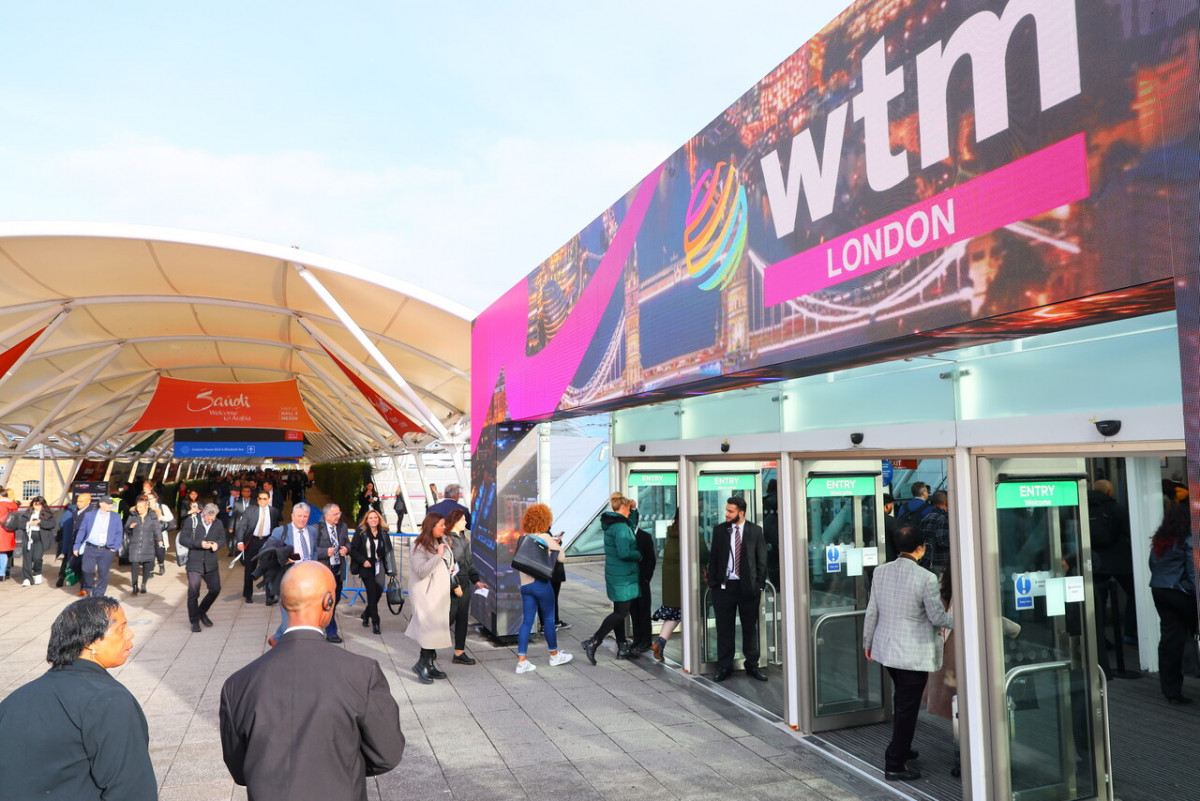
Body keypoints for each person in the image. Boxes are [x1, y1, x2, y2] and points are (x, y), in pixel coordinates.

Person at [219, 562, 406, 801]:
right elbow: (387, 754)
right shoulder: (362, 673)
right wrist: (343, 766)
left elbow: (240, 769)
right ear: (328, 601)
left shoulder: (237, 685)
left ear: (284, 602)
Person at [0, 596, 157, 800]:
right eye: (121, 628)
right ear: (90, 641)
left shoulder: (15, 700)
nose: (130, 634)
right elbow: (132, 788)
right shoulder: (107, 700)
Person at [863, 525, 954, 781]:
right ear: (920, 548)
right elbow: (938, 617)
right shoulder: (925, 577)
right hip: (912, 655)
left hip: (886, 649)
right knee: (907, 707)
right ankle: (895, 762)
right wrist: (961, 615)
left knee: (903, 702)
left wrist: (867, 643)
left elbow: (872, 611)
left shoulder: (881, 572)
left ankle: (902, 747)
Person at [707, 495, 768, 682]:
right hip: (725, 587)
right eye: (726, 510)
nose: (726, 514)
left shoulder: (755, 531)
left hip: (748, 587)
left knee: (750, 628)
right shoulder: (720, 531)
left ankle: (752, 665)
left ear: (741, 513)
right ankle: (724, 666)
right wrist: (714, 584)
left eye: (730, 511)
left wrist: (759, 585)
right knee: (724, 628)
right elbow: (714, 558)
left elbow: (761, 560)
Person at [581, 492, 643, 665]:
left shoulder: (615, 524)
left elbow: (631, 524)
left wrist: (635, 509)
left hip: (617, 574)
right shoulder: (621, 528)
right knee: (621, 613)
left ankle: (622, 647)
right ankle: (594, 641)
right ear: (623, 508)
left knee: (619, 611)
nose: (630, 513)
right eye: (629, 510)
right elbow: (624, 552)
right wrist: (638, 555)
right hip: (623, 576)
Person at [1148, 503, 1196, 705]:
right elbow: (1193, 571)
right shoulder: (1188, 539)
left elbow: (1153, 564)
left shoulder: (1162, 538)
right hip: (1180, 591)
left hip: (1159, 589)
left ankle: (1171, 690)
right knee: (1191, 632)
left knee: (1170, 639)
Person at [514, 503, 572, 673]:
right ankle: (554, 655)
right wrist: (555, 543)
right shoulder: (545, 538)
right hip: (541, 584)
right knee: (548, 620)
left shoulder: (523, 538)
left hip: (525, 586)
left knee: (527, 621)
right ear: (545, 520)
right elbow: (561, 557)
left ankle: (522, 662)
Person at [406, 512, 453, 683]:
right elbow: (421, 570)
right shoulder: (418, 546)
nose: (444, 527)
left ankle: (428, 664)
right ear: (431, 526)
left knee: (433, 631)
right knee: (428, 631)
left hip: (438, 595)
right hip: (425, 596)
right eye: (440, 525)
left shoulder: (440, 541)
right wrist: (438, 555)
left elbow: (447, 564)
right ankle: (422, 665)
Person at [267, 502, 319, 646]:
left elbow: (313, 551)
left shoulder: (313, 531)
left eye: (305, 516)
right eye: (299, 516)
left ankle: (277, 638)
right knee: (289, 619)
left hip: (306, 581)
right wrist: (283, 558)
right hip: (286, 581)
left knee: (301, 615)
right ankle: (285, 647)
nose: (302, 519)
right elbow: (268, 552)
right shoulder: (280, 531)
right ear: (292, 516)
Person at [445, 508, 485, 664]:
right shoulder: (447, 539)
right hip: (452, 584)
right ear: (455, 521)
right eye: (462, 520)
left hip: (464, 583)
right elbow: (446, 566)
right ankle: (428, 650)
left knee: (462, 619)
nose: (465, 522)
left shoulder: (463, 538)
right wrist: (454, 585)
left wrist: (476, 580)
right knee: (448, 618)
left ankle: (459, 652)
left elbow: (468, 562)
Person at [348, 508, 395, 636]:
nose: (373, 520)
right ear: (366, 520)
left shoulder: (383, 533)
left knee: (378, 593)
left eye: (375, 518)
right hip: (366, 567)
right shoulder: (361, 532)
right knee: (372, 593)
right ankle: (376, 622)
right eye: (371, 518)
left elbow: (389, 552)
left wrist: (392, 569)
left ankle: (365, 614)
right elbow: (353, 550)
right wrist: (363, 561)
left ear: (379, 519)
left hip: (379, 566)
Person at [178, 503, 223, 632]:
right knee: (193, 593)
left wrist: (217, 545)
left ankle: (201, 611)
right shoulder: (191, 521)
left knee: (215, 589)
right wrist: (199, 544)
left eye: (212, 518)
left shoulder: (218, 523)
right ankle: (194, 621)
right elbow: (183, 539)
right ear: (203, 513)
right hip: (194, 562)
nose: (210, 521)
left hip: (211, 563)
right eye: (208, 518)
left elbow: (222, 538)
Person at [236, 489, 282, 603]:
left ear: (268, 500)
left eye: (264, 499)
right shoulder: (250, 511)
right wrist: (240, 541)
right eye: (260, 498)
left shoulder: (274, 512)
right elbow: (241, 526)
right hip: (252, 542)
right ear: (257, 500)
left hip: (267, 542)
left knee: (268, 568)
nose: (262, 501)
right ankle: (248, 594)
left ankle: (269, 597)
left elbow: (276, 528)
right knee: (250, 568)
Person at [73, 496, 124, 597]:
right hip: (90, 547)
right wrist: (76, 546)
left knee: (103, 572)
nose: (111, 505)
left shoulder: (116, 516)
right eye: (108, 503)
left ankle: (99, 593)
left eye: (111, 503)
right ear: (101, 504)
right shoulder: (89, 515)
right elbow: (82, 531)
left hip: (106, 549)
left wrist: (115, 546)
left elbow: (119, 532)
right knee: (87, 569)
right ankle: (90, 589)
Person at [315, 503, 351, 643]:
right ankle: (331, 632)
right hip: (324, 571)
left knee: (335, 600)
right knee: (328, 602)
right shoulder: (316, 528)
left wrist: (346, 549)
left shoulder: (342, 526)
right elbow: (311, 550)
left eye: (339, 513)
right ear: (326, 515)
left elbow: (348, 542)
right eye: (335, 514)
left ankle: (322, 622)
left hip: (337, 570)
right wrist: (325, 552)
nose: (338, 517)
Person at [651, 511, 682, 662]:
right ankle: (697, 650)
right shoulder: (689, 531)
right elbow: (702, 553)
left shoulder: (672, 532)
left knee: (675, 614)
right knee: (691, 613)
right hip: (683, 581)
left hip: (671, 582)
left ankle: (660, 642)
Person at [124, 495, 164, 596]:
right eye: (137, 507)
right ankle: (135, 585)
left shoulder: (152, 516)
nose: (138, 509)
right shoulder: (132, 516)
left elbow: (157, 530)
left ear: (146, 507)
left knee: (147, 566)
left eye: (141, 507)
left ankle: (144, 584)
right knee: (134, 566)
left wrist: (160, 541)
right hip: (135, 544)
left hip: (148, 545)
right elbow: (126, 528)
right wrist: (130, 526)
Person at [17, 495, 57, 586]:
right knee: (27, 558)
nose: (37, 506)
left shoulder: (48, 514)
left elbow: (52, 524)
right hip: (29, 537)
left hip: (40, 538)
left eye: (39, 505)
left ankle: (37, 572)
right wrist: (28, 523)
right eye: (35, 504)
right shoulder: (27, 513)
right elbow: (20, 524)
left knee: (37, 557)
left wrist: (40, 522)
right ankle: (27, 578)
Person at [630, 521, 657, 652]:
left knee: (643, 610)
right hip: (630, 580)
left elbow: (651, 559)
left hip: (642, 580)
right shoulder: (624, 537)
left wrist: (646, 578)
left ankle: (646, 640)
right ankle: (637, 638)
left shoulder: (645, 537)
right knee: (633, 610)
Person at [57, 492, 93, 588]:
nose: (78, 503)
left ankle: (85, 585)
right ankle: (64, 577)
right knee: (70, 561)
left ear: (88, 501)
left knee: (83, 563)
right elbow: (62, 524)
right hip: (71, 541)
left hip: (85, 543)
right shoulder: (72, 511)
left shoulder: (92, 513)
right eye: (77, 501)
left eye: (81, 501)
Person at [918, 490, 951, 575]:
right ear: (946, 503)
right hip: (942, 563)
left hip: (928, 562)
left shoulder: (926, 517)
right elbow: (943, 541)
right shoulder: (944, 518)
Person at [0, 486, 18, 581]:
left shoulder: (1, 505)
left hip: (1, 531)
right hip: (8, 532)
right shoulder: (13, 505)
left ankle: (1, 572)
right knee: (3, 553)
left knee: (1, 553)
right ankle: (3, 573)